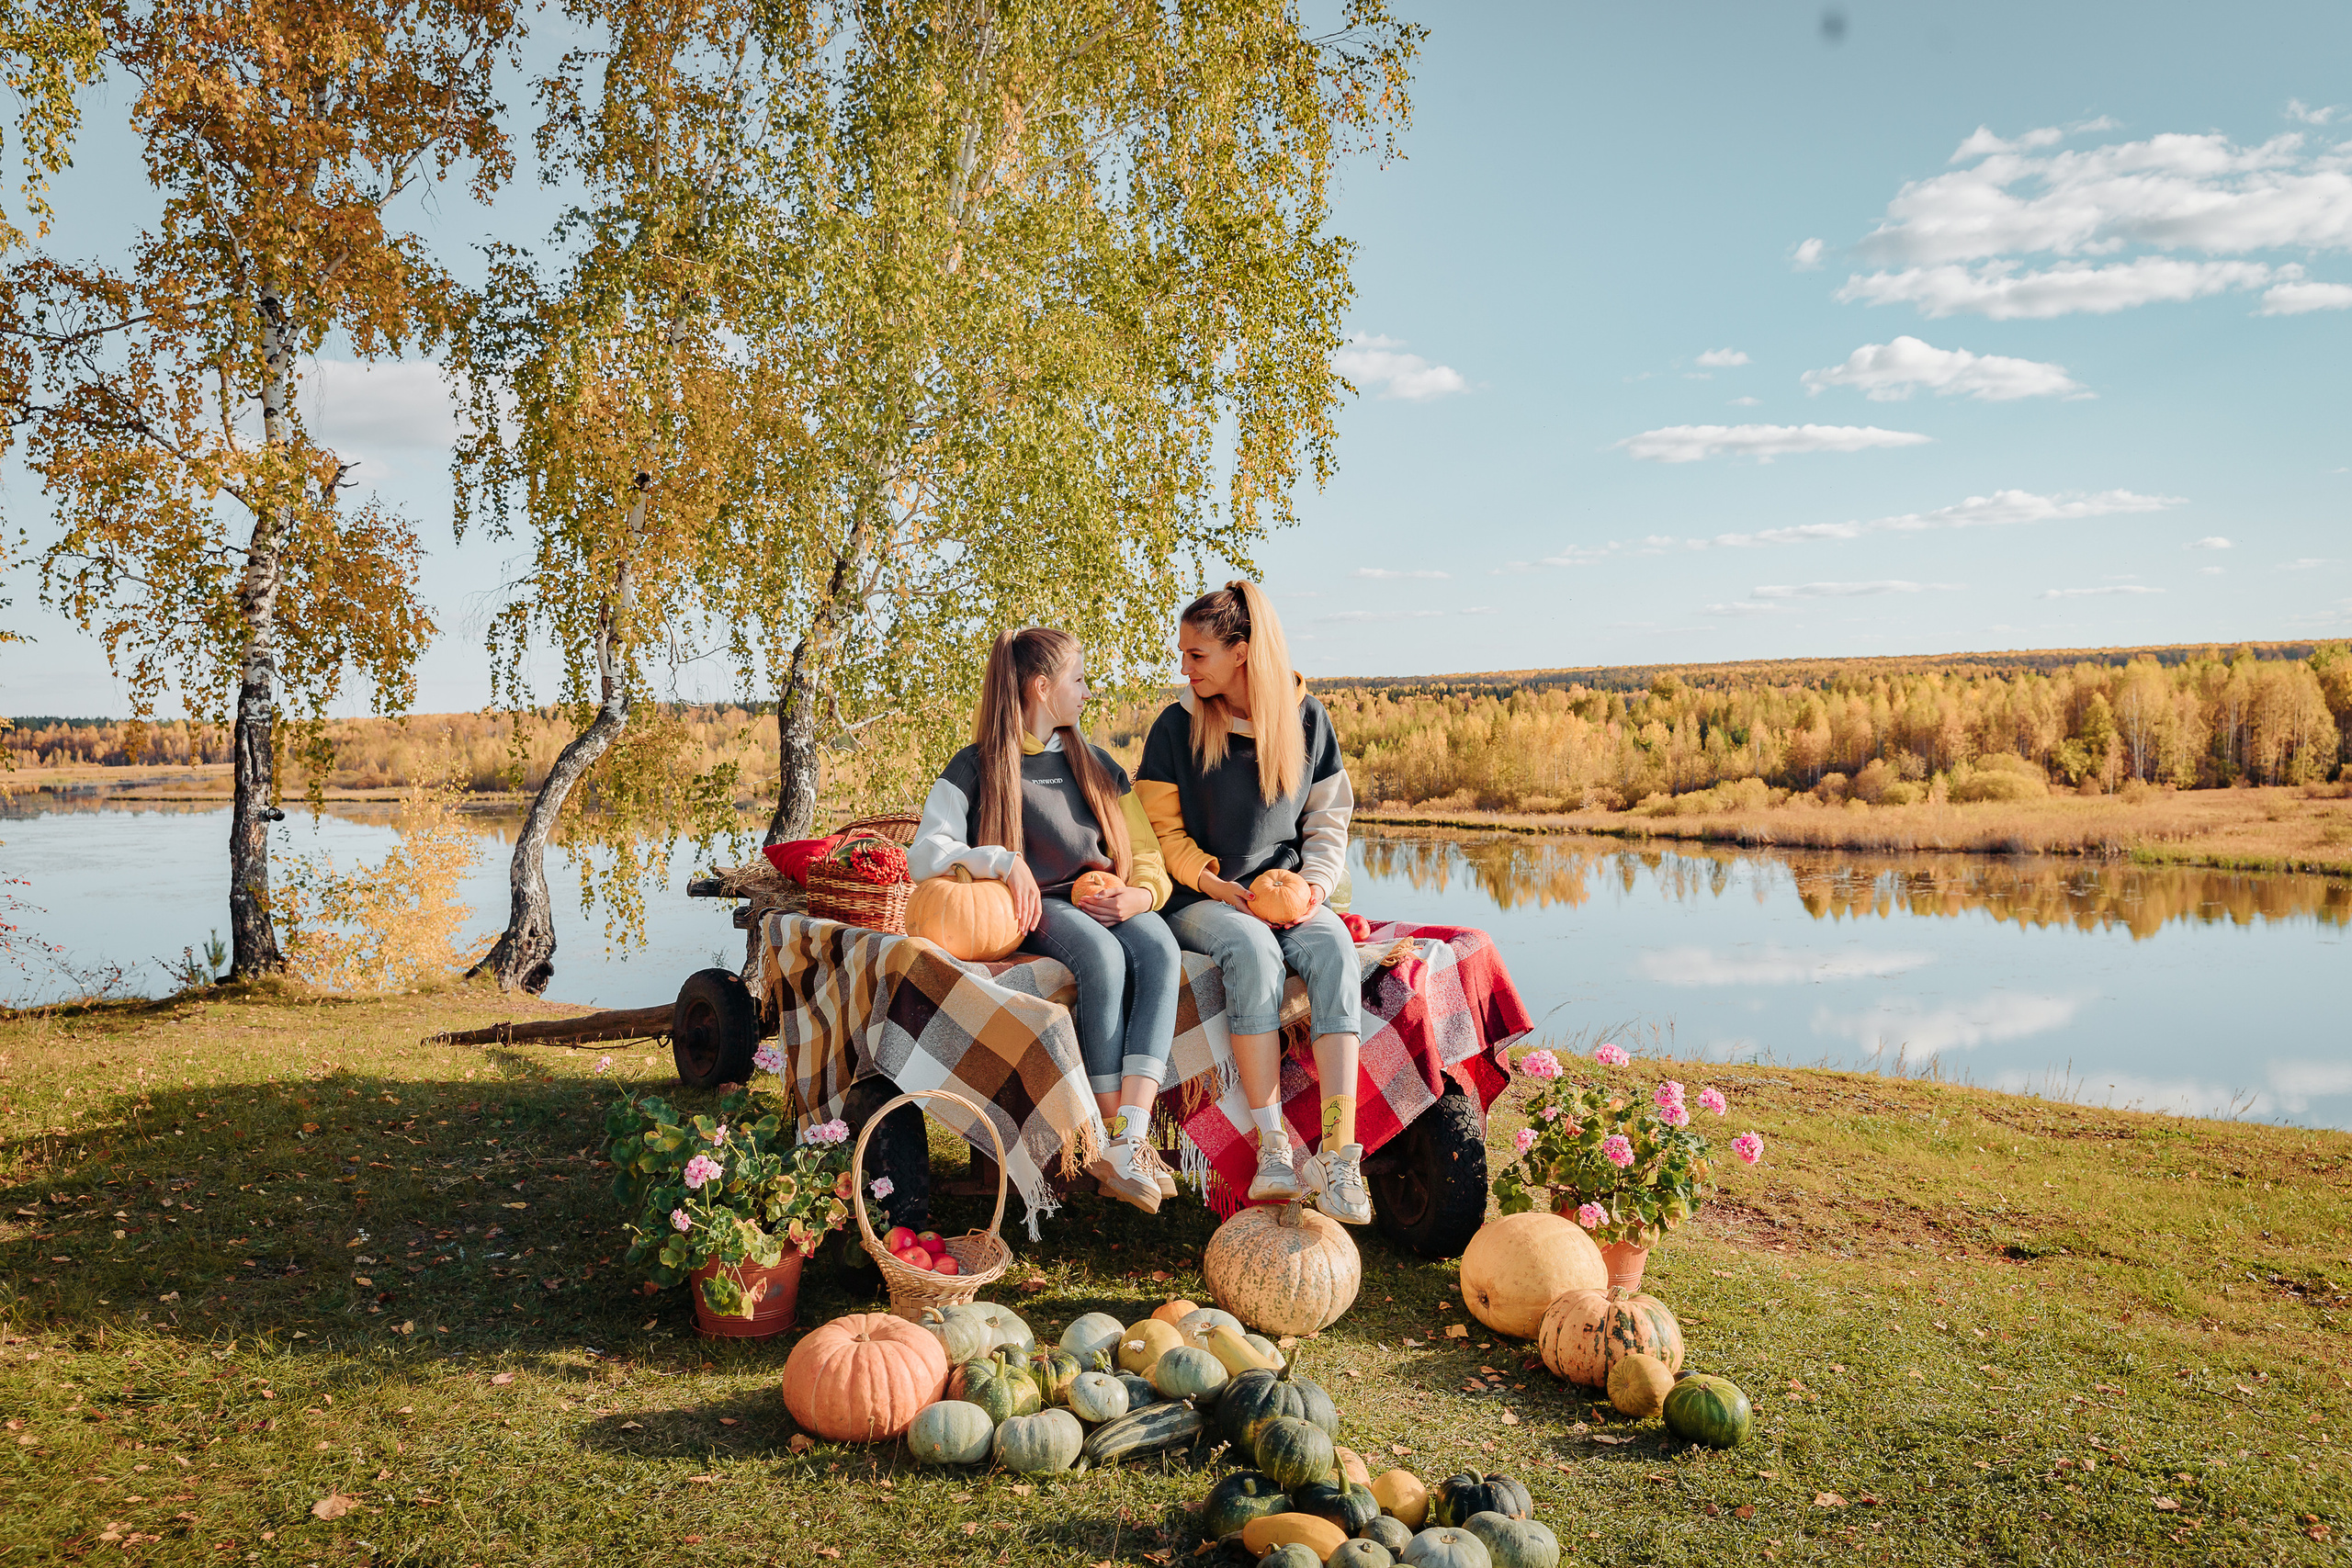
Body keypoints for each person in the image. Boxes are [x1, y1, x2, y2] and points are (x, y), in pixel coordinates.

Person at [908, 627, 1181, 1214]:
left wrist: (1140, 896)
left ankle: (1133, 1133)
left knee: (1158, 950)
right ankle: (1108, 1140)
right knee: (1104, 959)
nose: (1086, 691)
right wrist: (1001, 861)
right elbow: (924, 852)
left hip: (1111, 895)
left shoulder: (1098, 764)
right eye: (1077, 679)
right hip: (1040, 908)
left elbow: (1149, 851)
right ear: (1041, 688)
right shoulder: (978, 764)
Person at [1134, 580, 1369, 1224]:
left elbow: (1328, 822)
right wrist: (1212, 882)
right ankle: (1273, 1147)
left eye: (1197, 653)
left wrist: (1314, 889)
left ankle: (1341, 1153)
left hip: (1284, 890)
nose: (1184, 667)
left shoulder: (1306, 718)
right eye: (1183, 654)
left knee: (1334, 947)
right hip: (1197, 896)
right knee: (1251, 948)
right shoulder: (1176, 726)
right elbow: (1160, 833)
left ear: (1242, 651)